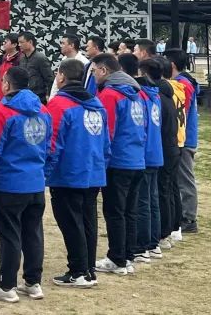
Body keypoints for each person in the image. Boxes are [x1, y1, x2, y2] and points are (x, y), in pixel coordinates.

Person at [0, 66, 51, 304]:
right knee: (33, 232)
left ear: (7, 85)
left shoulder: (2, 112)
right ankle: (33, 282)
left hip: (9, 183)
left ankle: (6, 285)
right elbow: (49, 147)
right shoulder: (43, 111)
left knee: (9, 234)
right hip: (35, 182)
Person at [45, 58, 109, 288]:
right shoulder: (96, 104)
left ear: (62, 76)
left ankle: (79, 271)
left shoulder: (59, 105)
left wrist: (46, 172)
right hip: (93, 171)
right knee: (88, 221)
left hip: (68, 174)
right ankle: (88, 268)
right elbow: (106, 142)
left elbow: (52, 143)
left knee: (71, 223)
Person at [92, 52, 146, 276]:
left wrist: (101, 160)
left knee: (115, 211)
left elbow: (107, 131)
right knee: (129, 211)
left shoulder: (110, 95)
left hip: (118, 161)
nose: (93, 75)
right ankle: (128, 255)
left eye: (94, 71)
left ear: (104, 70)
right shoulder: (136, 94)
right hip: (136, 159)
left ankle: (117, 258)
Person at [132, 56, 164, 264]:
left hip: (145, 154)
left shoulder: (141, 96)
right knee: (152, 200)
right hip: (156, 152)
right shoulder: (155, 95)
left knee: (143, 201)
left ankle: (143, 246)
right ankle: (153, 243)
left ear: (142, 73)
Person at [167, 49, 199, 234]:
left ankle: (189, 218)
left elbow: (180, 113)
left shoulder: (183, 84)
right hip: (182, 138)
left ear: (171, 65)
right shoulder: (182, 82)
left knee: (185, 178)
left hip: (184, 139)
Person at [153, 57, 184, 250]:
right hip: (176, 142)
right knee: (171, 188)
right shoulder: (175, 91)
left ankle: (165, 231)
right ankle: (174, 227)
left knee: (164, 190)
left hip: (167, 145)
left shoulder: (160, 95)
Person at [47, 34, 90, 101]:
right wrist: (52, 99)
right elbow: (56, 84)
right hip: (61, 99)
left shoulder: (84, 62)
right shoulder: (63, 60)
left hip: (77, 99)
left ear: (71, 45)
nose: (61, 46)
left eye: (63, 43)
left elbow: (86, 84)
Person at [17, 33, 54, 104]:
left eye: (21, 42)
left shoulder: (40, 58)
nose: (19, 45)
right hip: (24, 97)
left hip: (38, 98)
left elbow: (49, 79)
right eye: (18, 42)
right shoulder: (22, 58)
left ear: (30, 42)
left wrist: (48, 95)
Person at [0, 33, 21, 104]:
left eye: (6, 42)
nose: (3, 44)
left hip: (10, 98)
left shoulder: (20, 59)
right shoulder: (4, 58)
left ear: (14, 45)